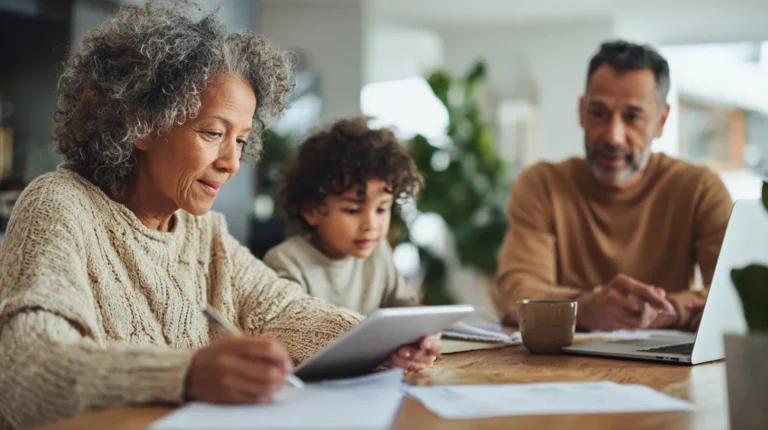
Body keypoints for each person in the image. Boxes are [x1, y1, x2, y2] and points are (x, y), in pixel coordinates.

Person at [0, 4, 439, 429]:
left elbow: (281, 311)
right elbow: (27, 372)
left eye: (242, 140)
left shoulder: (202, 230)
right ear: (141, 123)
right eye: (213, 133)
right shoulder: (59, 205)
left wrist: (379, 341)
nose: (232, 162)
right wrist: (183, 374)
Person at [491, 40, 732, 332]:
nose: (613, 136)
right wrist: (586, 308)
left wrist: (660, 312)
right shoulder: (542, 185)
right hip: (562, 366)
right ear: (581, 111)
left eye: (632, 117)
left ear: (661, 121)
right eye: (599, 113)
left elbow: (733, 293)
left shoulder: (699, 189)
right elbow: (515, 292)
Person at [264, 118, 421, 315]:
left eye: (381, 209)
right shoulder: (287, 261)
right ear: (311, 211)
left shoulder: (378, 252)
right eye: (353, 210)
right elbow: (290, 328)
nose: (370, 225)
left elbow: (405, 306)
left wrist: (423, 332)